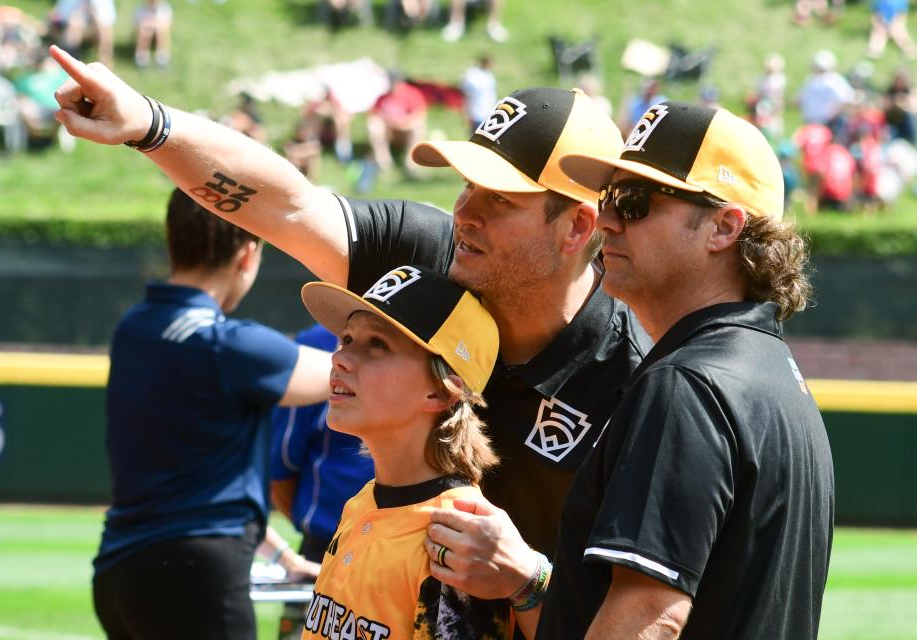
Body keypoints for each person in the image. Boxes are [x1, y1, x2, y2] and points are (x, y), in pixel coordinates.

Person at [50, 45, 650, 621]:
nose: (466, 211)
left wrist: (529, 582)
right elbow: (288, 206)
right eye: (468, 184)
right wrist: (150, 125)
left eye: (499, 198)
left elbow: (648, 607)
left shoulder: (636, 377)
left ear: (577, 227)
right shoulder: (431, 253)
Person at [535, 101, 835, 638]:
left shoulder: (688, 383)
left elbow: (649, 616)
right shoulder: (770, 371)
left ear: (723, 227)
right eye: (608, 198)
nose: (606, 220)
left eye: (635, 202)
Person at [92, 188, 333, 639]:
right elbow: (346, 374)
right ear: (247, 256)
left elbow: (191, 482)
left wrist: (282, 558)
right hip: (196, 575)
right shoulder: (231, 345)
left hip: (118, 572)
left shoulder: (134, 329)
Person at [298, 264, 520, 639]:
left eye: (377, 345)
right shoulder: (362, 502)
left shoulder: (456, 537)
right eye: (347, 339)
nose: (340, 358)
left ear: (440, 391)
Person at [269, 323, 375, 639]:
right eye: (344, 342)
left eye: (378, 346)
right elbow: (280, 469)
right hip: (323, 548)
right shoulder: (313, 343)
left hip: (412, 549)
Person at [460, 54, 497, 133]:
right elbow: (464, 95)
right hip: (476, 115)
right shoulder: (472, 75)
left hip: (489, 115)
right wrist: (466, 114)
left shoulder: (489, 76)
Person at [133, 0, 173, 68]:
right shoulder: (141, 9)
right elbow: (137, 26)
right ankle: (142, 56)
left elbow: (167, 25)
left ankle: (162, 57)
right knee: (145, 31)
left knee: (161, 31)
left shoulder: (164, 9)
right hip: (146, 32)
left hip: (159, 32)